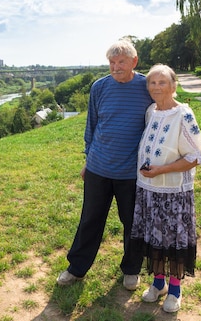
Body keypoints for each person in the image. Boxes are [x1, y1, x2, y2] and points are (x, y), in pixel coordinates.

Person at [57, 38, 153, 291]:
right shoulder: (99, 87)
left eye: (121, 61)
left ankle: (132, 270)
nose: (116, 66)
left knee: (132, 223)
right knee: (90, 220)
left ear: (134, 61)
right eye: (112, 62)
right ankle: (76, 268)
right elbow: (92, 127)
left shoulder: (147, 87)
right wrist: (88, 161)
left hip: (131, 173)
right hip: (98, 168)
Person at [131, 64, 201, 313]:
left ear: (173, 86)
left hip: (174, 193)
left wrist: (161, 170)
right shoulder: (151, 111)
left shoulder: (183, 115)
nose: (156, 87)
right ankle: (158, 282)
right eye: (152, 82)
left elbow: (194, 157)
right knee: (154, 237)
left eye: (162, 82)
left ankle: (175, 290)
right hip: (149, 190)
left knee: (173, 240)